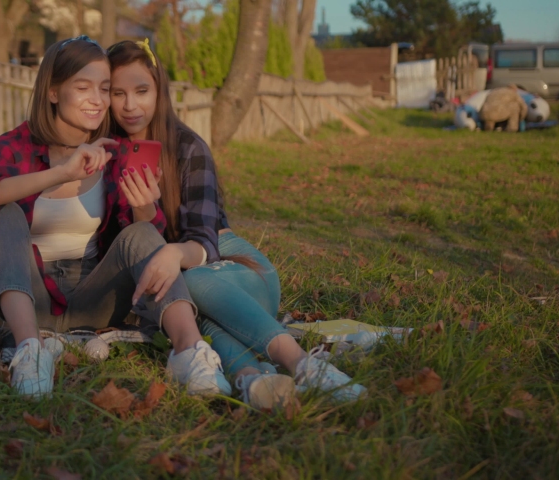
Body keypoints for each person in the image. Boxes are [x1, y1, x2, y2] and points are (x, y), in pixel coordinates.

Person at [0, 36, 231, 399]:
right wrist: (60, 173)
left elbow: (136, 242)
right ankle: (29, 352)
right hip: (28, 295)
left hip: (95, 299)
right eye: (83, 87)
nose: (98, 100)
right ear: (53, 92)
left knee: (141, 234)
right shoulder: (17, 145)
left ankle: (189, 351)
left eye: (104, 89)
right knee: (1, 214)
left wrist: (146, 208)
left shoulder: (111, 154)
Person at [106, 39, 367, 409]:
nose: (131, 105)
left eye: (141, 90)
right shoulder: (106, 155)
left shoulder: (188, 148)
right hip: (178, 291)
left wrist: (172, 253)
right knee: (188, 311)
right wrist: (144, 213)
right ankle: (253, 383)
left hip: (238, 270)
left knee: (188, 283)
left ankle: (301, 363)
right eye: (118, 93)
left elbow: (204, 242)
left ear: (159, 89)